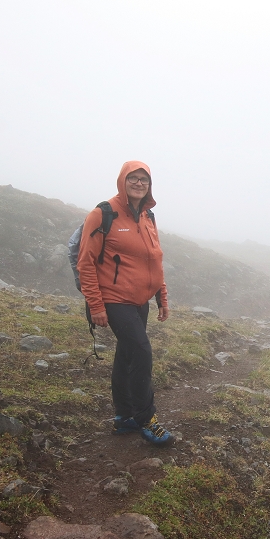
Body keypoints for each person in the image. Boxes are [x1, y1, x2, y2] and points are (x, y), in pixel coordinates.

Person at [76, 161, 174, 445]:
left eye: (144, 179)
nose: (139, 183)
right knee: (141, 351)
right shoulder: (102, 214)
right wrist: (96, 305)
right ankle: (146, 419)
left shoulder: (148, 217)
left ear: (149, 185)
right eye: (133, 178)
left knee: (127, 355)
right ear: (122, 180)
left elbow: (154, 261)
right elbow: (86, 263)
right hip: (113, 299)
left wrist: (161, 297)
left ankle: (124, 417)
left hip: (140, 300)